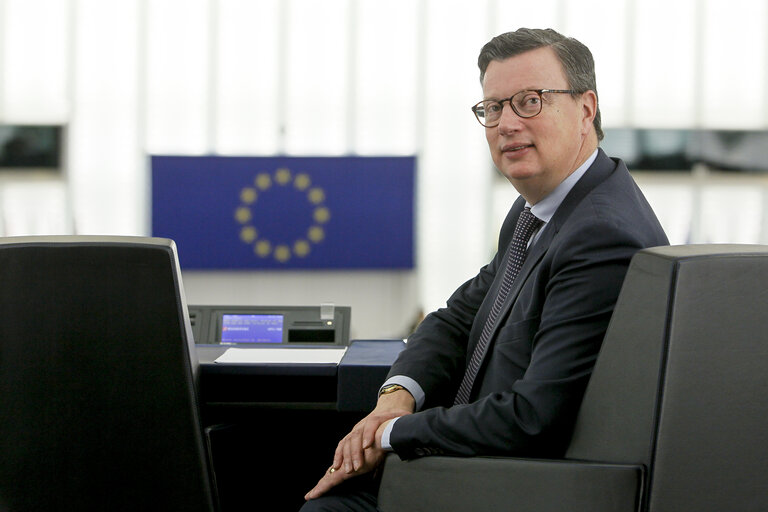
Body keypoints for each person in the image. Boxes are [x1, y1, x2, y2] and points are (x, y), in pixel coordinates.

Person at [302, 27, 669, 511]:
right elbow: (455, 319)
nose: (506, 123)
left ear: (586, 110)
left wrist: (389, 434)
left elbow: (531, 418)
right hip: (473, 462)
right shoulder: (538, 212)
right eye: (493, 108)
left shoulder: (600, 235)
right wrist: (395, 397)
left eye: (530, 101)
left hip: (514, 485)